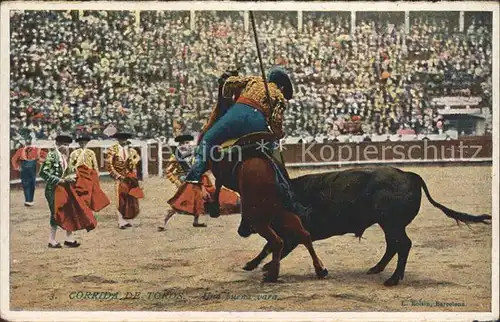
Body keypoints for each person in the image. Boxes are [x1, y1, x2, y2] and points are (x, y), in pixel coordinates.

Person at [184, 67, 292, 188]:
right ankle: (284, 183)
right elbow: (276, 122)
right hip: (257, 123)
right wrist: (278, 135)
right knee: (272, 150)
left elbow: (230, 83)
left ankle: (194, 177)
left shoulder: (255, 81)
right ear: (282, 87)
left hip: (236, 114)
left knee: (208, 140)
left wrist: (227, 94)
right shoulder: (280, 97)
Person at [158, 134, 240, 231]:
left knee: (202, 200)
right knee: (181, 203)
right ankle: (163, 222)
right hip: (188, 182)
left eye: (187, 143)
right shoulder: (176, 156)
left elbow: (204, 167)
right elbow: (168, 171)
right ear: (179, 144)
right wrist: (177, 181)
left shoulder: (196, 153)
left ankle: (196, 221)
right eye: (183, 143)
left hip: (202, 180)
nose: (186, 145)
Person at [39, 133, 83, 248]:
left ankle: (69, 239)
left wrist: (72, 177)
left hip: (65, 189)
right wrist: (59, 180)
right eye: (64, 144)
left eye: (68, 145)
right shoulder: (52, 155)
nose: (66, 147)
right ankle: (51, 240)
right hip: (53, 189)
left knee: (69, 211)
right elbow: (43, 173)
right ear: (57, 144)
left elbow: (70, 171)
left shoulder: (65, 157)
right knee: (55, 213)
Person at [106, 131, 144, 229]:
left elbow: (135, 165)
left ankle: (126, 220)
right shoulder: (112, 149)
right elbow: (109, 165)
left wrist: (135, 177)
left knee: (129, 199)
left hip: (130, 178)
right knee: (120, 199)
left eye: (125, 139)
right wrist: (117, 176)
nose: (123, 141)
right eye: (121, 139)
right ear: (118, 140)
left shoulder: (131, 150)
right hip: (120, 178)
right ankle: (120, 221)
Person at [68, 135, 110, 214]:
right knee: (80, 192)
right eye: (81, 142)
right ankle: (81, 210)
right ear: (79, 143)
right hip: (79, 175)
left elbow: (95, 165)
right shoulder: (74, 153)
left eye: (84, 142)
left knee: (91, 193)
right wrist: (72, 173)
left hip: (89, 175)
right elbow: (70, 165)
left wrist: (96, 175)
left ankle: (88, 211)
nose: (83, 143)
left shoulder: (91, 152)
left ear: (87, 143)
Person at [11, 135, 46, 206]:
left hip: (24, 168)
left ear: (25, 143)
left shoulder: (21, 150)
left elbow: (14, 159)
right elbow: (46, 156)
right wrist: (41, 161)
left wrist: (17, 167)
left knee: (26, 184)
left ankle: (28, 200)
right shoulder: (36, 149)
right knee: (31, 184)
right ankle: (30, 200)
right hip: (32, 167)